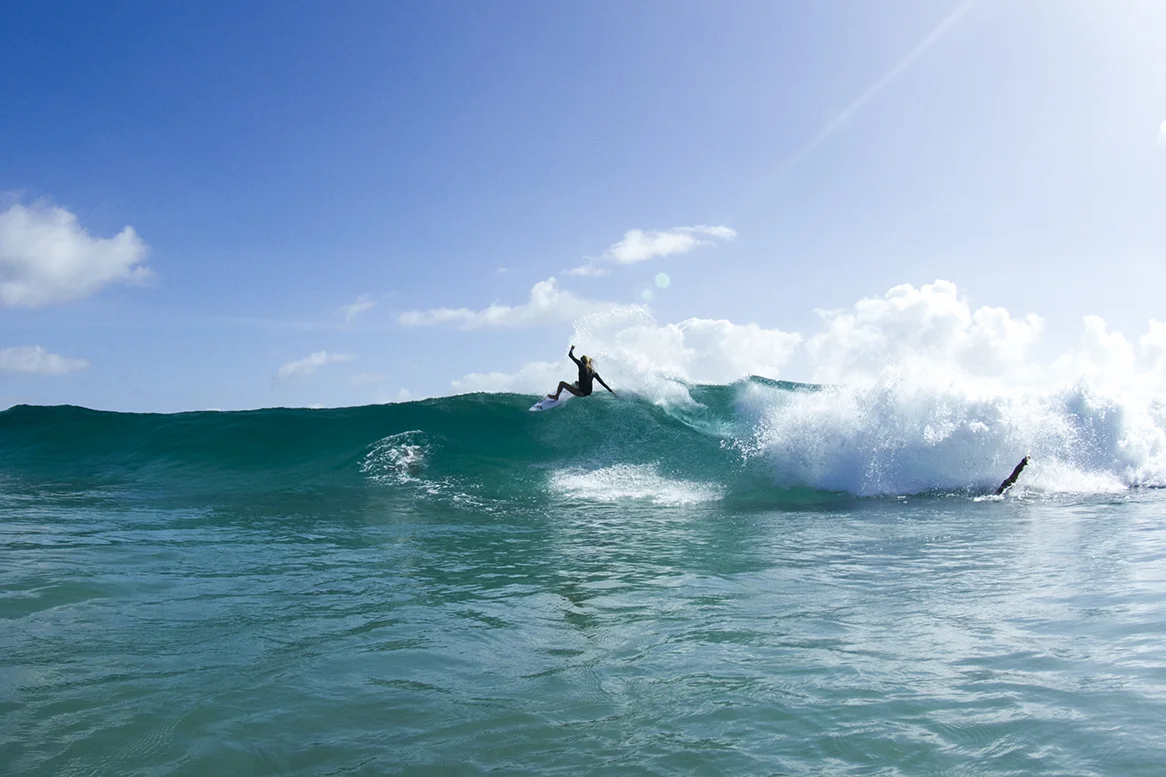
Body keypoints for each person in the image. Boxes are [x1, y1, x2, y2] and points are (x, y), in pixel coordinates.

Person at [547, 345, 615, 400]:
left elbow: (570, 355)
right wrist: (612, 392)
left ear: (582, 361)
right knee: (576, 383)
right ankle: (573, 389)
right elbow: (603, 383)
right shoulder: (593, 372)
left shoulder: (581, 365)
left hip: (581, 393)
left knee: (561, 383)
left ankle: (556, 396)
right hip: (589, 393)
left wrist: (572, 348)